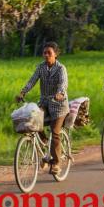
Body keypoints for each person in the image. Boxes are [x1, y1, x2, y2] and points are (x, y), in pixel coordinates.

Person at [16, 41, 69, 175]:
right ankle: (46, 144)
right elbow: (32, 80)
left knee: (55, 131)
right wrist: (23, 92)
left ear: (55, 54)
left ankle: (56, 163)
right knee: (34, 122)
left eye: (49, 53)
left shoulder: (61, 68)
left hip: (59, 106)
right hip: (45, 102)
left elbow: (63, 83)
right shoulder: (41, 67)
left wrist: (60, 93)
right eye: (44, 53)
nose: (46, 55)